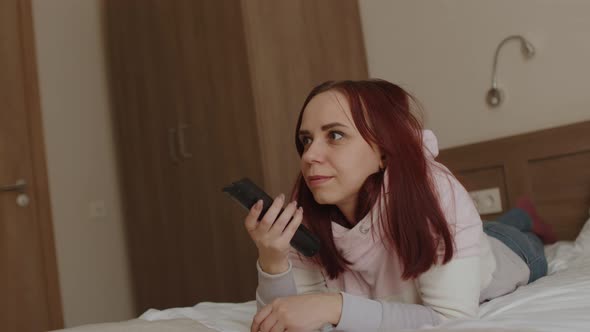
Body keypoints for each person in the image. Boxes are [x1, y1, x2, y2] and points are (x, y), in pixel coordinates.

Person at [241, 79, 557, 331]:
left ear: (383, 151)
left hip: (510, 254)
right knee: (489, 228)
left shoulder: (429, 193)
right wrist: (272, 260)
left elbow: (450, 321)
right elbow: (286, 320)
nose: (309, 156)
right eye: (306, 140)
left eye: (335, 135)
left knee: (514, 236)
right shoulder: (309, 208)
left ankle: (525, 218)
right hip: (460, 240)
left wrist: (334, 305)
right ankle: (514, 217)